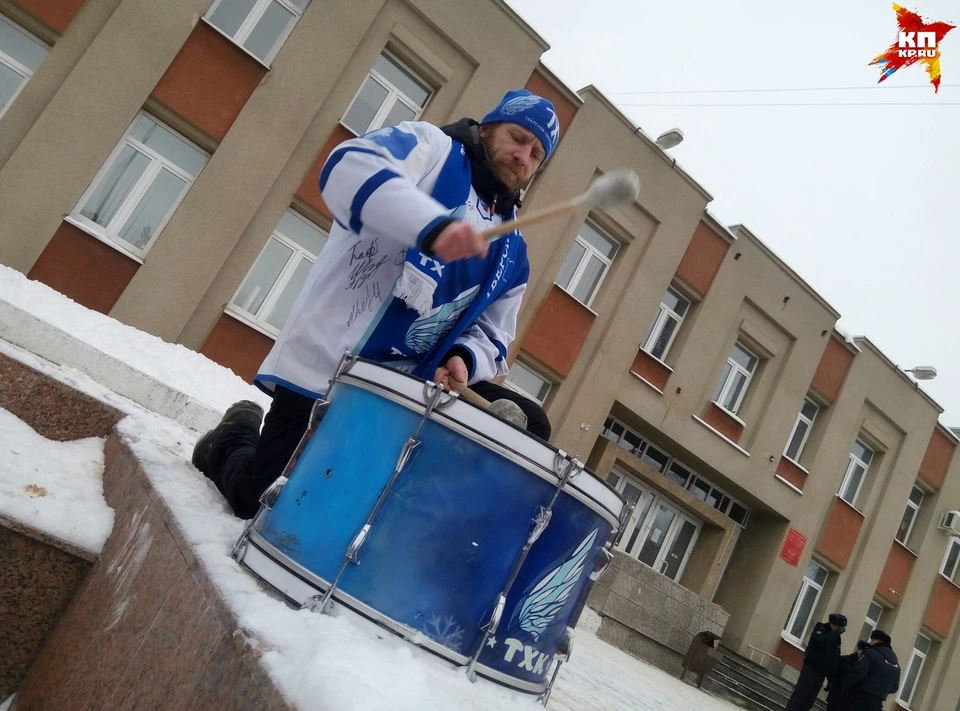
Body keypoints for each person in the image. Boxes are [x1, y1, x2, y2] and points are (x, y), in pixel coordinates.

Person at [193, 89, 561, 519]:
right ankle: (232, 436)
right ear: (487, 128)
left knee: (530, 423)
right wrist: (430, 226)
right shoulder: (431, 148)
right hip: (331, 355)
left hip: (402, 388)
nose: (523, 157)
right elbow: (347, 165)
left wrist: (463, 357)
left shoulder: (513, 249)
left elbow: (494, 334)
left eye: (536, 154)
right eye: (518, 138)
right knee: (252, 502)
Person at [784, 613, 847, 711]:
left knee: (809, 702)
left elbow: (834, 658)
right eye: (839, 627)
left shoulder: (836, 638)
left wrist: (830, 679)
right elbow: (821, 642)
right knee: (799, 698)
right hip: (811, 670)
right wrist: (835, 634)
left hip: (821, 675)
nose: (840, 630)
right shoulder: (821, 628)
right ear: (833, 624)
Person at [841, 630, 900, 711]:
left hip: (859, 699)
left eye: (872, 639)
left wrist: (844, 686)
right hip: (877, 704)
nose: (870, 642)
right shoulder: (896, 665)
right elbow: (894, 688)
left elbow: (858, 672)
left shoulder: (871, 653)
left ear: (877, 640)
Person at [825, 639, 867, 711]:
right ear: (857, 650)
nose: (862, 655)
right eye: (861, 651)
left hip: (848, 701)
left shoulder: (863, 667)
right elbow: (832, 671)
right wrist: (830, 683)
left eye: (864, 654)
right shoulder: (844, 660)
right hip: (836, 695)